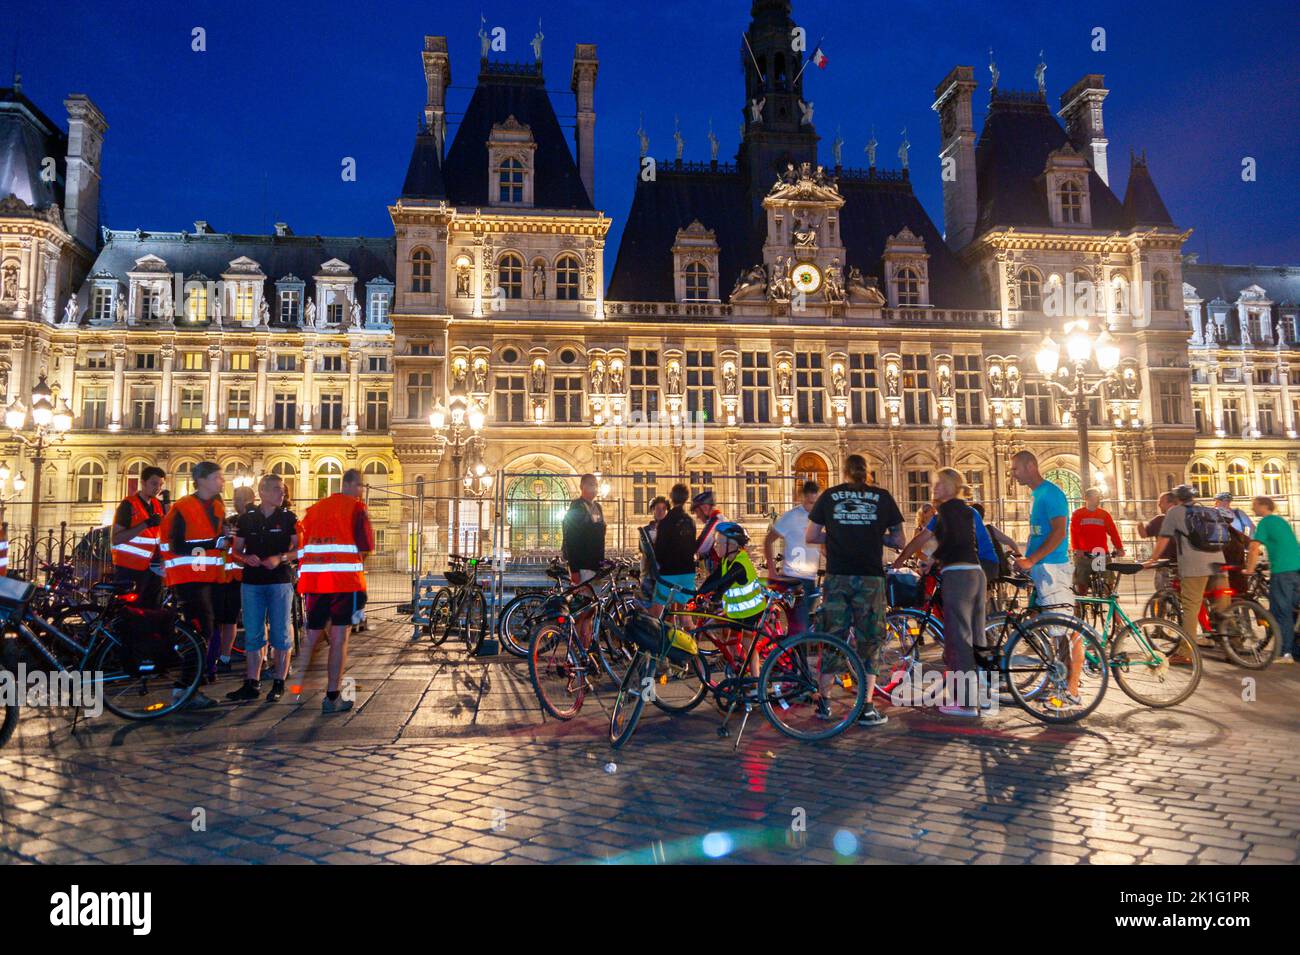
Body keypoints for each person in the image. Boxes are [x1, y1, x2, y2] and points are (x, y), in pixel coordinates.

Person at [806, 453, 904, 727]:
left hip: (838, 577)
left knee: (833, 638)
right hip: (870, 578)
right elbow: (898, 539)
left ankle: (823, 703)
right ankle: (867, 707)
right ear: (868, 472)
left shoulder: (829, 496)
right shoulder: (883, 497)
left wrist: (838, 534)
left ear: (845, 473)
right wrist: (874, 535)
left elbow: (811, 536)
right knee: (869, 642)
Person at [898, 469, 986, 717]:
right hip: (976, 574)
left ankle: (966, 704)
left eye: (939, 484)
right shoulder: (967, 511)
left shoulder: (947, 510)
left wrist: (931, 559)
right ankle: (982, 694)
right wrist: (905, 555)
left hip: (958, 575)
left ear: (951, 486)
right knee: (977, 638)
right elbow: (923, 537)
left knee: (959, 640)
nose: (934, 488)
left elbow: (949, 542)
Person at [293, 468, 373, 714]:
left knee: (313, 635)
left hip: (315, 583)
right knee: (339, 639)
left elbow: (302, 543)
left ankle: (295, 683)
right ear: (352, 485)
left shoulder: (315, 509)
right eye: (360, 485)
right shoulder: (356, 509)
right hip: (343, 583)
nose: (361, 491)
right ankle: (332, 696)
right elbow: (366, 545)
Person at [1009, 450, 1081, 704]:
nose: (1012, 473)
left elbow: (1060, 533)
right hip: (1043, 569)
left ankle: (1070, 690)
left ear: (1031, 466)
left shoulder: (1051, 493)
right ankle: (1059, 683)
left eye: (1015, 468)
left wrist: (1033, 559)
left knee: (1066, 630)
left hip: (1053, 568)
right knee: (1054, 628)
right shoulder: (1037, 495)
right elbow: (1040, 533)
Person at [159, 460, 226, 708]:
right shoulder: (182, 508)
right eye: (219, 477)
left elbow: (214, 538)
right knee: (199, 634)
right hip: (188, 578)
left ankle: (188, 687)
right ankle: (185, 689)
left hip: (209, 577)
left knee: (204, 633)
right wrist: (213, 543)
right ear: (203, 480)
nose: (223, 481)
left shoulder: (218, 506)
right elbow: (177, 546)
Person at [227, 474, 299, 702]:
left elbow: (300, 549)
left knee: (280, 631)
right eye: (278, 489)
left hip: (280, 581)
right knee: (253, 632)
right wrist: (245, 558)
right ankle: (252, 682)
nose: (282, 494)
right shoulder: (246, 520)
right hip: (252, 582)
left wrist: (281, 557)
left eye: (283, 490)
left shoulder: (289, 518)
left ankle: (279, 681)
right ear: (263, 492)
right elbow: (235, 551)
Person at [1146, 484, 1230, 641]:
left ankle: (1186, 653)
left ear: (1177, 499)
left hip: (1195, 566)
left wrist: (1152, 560)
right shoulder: (1209, 510)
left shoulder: (1175, 512)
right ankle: (1233, 643)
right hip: (1219, 563)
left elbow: (1164, 538)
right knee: (1224, 607)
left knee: (1191, 607)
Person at [696, 521, 765, 677]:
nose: (715, 546)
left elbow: (723, 582)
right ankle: (738, 670)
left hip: (751, 611)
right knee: (731, 641)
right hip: (737, 611)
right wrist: (696, 593)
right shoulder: (727, 561)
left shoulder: (740, 564)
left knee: (748, 645)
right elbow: (713, 578)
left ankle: (756, 681)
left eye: (719, 543)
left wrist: (713, 594)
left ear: (731, 545)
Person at [1244, 496, 1299, 663]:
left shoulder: (1266, 522)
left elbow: (1254, 548)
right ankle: (1294, 649)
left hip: (1283, 571)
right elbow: (1284, 545)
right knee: (1293, 609)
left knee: (1281, 612)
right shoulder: (1281, 521)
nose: (1252, 509)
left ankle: (1285, 653)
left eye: (1254, 505)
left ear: (1263, 506)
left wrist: (1249, 569)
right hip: (1296, 568)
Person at [764, 480, 821, 635]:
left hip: (810, 578)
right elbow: (768, 540)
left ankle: (795, 656)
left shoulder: (819, 518)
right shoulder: (791, 517)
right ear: (802, 498)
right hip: (793, 578)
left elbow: (822, 546)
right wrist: (771, 570)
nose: (812, 507)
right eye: (810, 502)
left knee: (806, 625)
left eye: (815, 503)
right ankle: (794, 656)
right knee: (799, 628)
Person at [210, 484, 255, 678]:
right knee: (225, 620)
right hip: (225, 576)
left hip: (237, 577)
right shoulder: (230, 521)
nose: (234, 503)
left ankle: (225, 657)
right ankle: (222, 656)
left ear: (245, 500)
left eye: (236, 499)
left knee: (229, 620)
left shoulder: (249, 521)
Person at [109, 465, 166, 607]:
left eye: (160, 484)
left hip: (153, 569)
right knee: (127, 613)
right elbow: (116, 539)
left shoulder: (158, 505)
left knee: (150, 612)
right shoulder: (128, 505)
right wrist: (144, 524)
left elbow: (161, 536)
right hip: (129, 569)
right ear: (143, 482)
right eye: (154, 483)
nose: (157, 488)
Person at [650, 483, 697, 615]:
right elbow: (693, 546)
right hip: (687, 572)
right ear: (687, 498)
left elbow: (658, 551)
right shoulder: (690, 521)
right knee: (684, 616)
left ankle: (657, 635)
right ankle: (689, 634)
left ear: (671, 497)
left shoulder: (665, 522)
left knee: (656, 613)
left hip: (668, 573)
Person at [1070, 488, 1124, 594]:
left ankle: (1113, 607)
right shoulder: (1078, 514)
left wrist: (1119, 548)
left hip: (1100, 553)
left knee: (1108, 582)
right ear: (1086, 498)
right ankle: (1079, 606)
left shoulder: (1104, 515)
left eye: (1098, 497)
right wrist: (1077, 549)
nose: (1097, 500)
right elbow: (1074, 533)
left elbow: (1113, 532)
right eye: (1094, 497)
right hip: (1084, 554)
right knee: (1081, 583)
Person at [638, 495, 669, 601]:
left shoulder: (670, 531)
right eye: (658, 509)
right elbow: (644, 550)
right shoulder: (645, 531)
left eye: (663, 509)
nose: (661, 512)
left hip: (664, 576)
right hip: (648, 576)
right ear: (652, 510)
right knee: (647, 607)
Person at [691, 490, 726, 576]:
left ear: (705, 508)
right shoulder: (718, 518)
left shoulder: (716, 521)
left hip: (719, 571)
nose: (697, 516)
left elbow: (700, 546)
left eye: (697, 512)